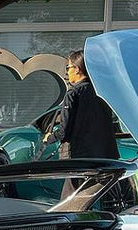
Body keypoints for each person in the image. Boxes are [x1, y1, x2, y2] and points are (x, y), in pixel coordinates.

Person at [44, 49, 118, 199]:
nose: (67, 73)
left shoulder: (73, 94)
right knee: (96, 196)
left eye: (68, 68)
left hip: (78, 157)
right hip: (104, 155)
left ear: (77, 69)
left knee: (70, 200)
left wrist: (49, 138)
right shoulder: (102, 93)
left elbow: (64, 131)